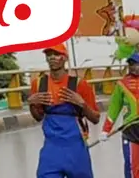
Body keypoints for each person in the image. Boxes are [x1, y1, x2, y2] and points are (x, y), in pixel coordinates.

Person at [29, 43, 100, 178]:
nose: (52, 58)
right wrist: (32, 105)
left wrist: (82, 104)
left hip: (76, 148)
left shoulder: (80, 84)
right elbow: (38, 117)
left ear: (65, 58)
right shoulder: (39, 84)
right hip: (51, 149)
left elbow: (95, 119)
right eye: (49, 55)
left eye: (56, 54)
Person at [101, 52, 139, 176]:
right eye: (131, 64)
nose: (133, 67)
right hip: (130, 129)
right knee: (132, 166)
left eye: (136, 64)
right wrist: (105, 130)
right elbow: (114, 107)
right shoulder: (122, 84)